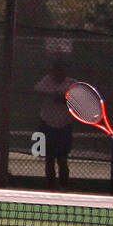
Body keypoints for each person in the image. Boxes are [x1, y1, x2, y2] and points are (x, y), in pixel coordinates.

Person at [33, 60, 74, 190]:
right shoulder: (46, 81)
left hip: (64, 126)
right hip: (47, 125)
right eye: (56, 71)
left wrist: (63, 99)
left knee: (62, 159)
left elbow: (75, 99)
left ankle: (64, 186)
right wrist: (53, 94)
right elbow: (38, 89)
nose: (58, 74)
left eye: (61, 71)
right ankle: (50, 186)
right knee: (49, 158)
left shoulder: (71, 83)